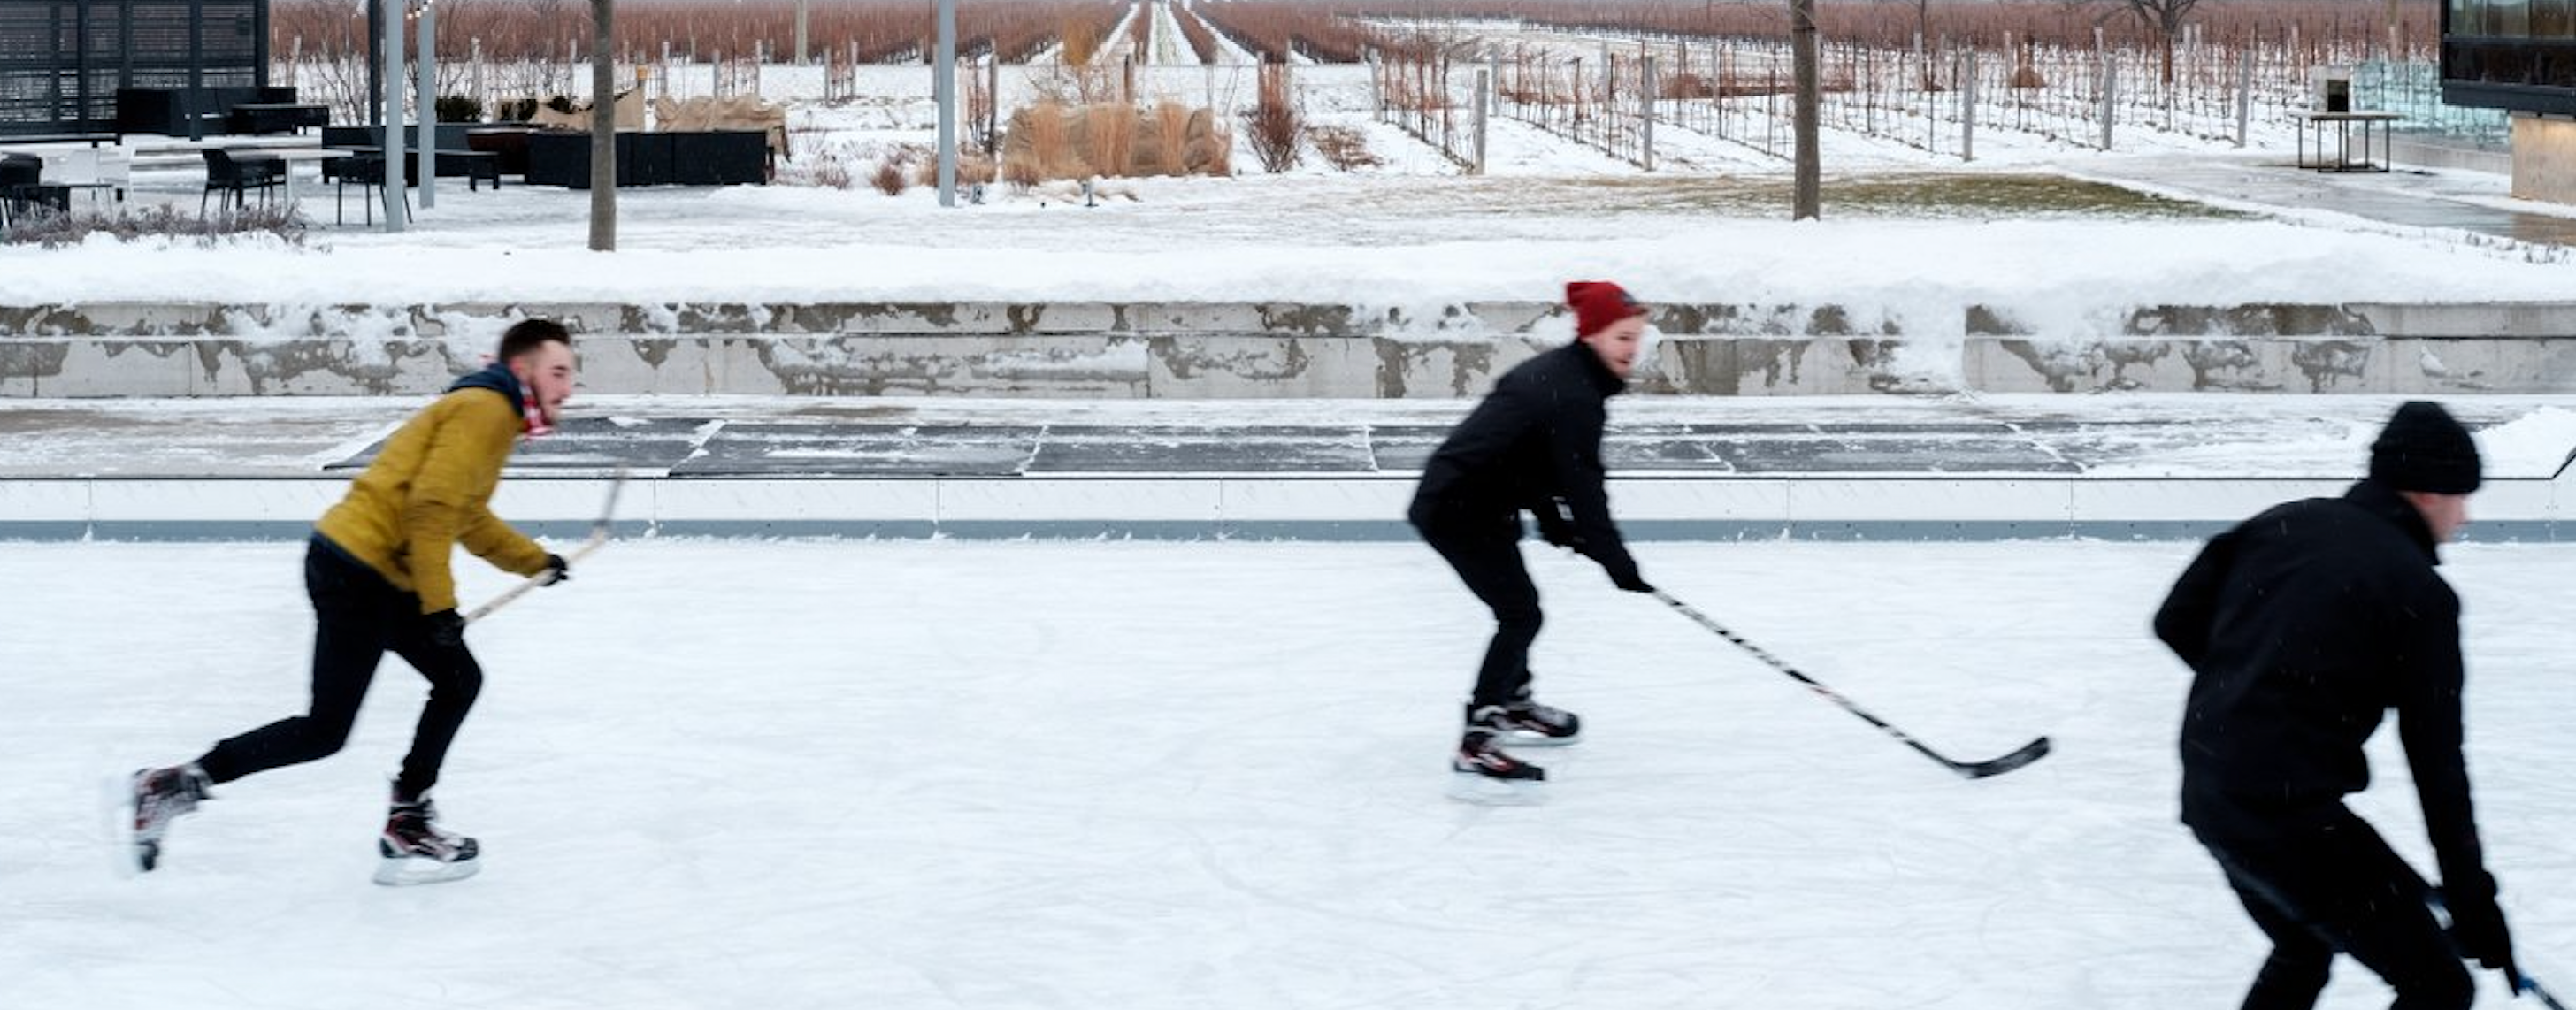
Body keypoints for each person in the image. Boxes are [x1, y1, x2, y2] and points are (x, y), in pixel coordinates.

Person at [126, 319, 582, 885]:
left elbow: (465, 516)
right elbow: (432, 511)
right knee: (330, 727)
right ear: (523, 370)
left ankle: (406, 817)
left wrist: (533, 562)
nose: (569, 385)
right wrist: (441, 608)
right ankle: (170, 785)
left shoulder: (493, 413)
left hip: (373, 571)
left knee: (450, 682)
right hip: (360, 570)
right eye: (559, 371)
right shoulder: (486, 410)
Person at [2153, 401, 2518, 1010]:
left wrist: (2255, 688)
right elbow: (2438, 767)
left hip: (2213, 793)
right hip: (2286, 818)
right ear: (2428, 493)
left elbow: (2176, 620)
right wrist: (2474, 901)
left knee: (2302, 943)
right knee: (2438, 985)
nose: (2466, 516)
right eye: (2462, 497)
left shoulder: (2281, 524)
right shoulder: (2419, 595)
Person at [1409, 280, 1655, 789]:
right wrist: (1616, 561)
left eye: (1637, 338)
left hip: (1480, 503)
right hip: (1457, 510)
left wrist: (1553, 523)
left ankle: (1514, 703)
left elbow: (1535, 460)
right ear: (1591, 336)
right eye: (1622, 338)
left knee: (1521, 609)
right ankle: (1479, 738)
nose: (1632, 350)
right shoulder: (1574, 394)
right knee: (1520, 614)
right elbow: (1584, 485)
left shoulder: (1569, 379)